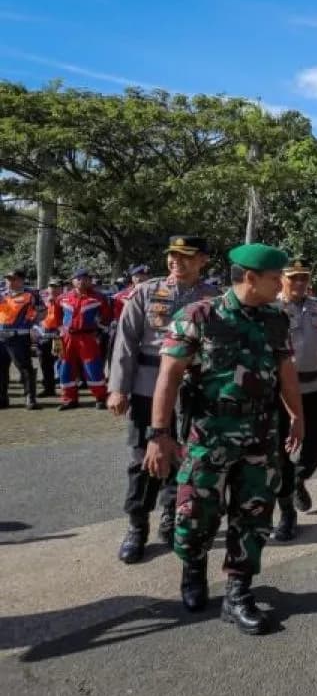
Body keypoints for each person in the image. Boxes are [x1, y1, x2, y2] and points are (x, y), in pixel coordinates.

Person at [147, 243, 303, 635]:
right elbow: (169, 377)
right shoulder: (198, 316)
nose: (281, 285)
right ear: (249, 278)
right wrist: (158, 435)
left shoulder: (276, 318)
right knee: (196, 512)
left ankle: (238, 591)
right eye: (274, 279)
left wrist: (297, 415)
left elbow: (286, 371)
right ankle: (194, 569)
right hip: (208, 432)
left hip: (260, 435)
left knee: (253, 515)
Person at [107, 236, 216, 564]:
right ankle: (137, 524)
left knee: (183, 455)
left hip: (192, 388)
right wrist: (118, 388)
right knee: (143, 457)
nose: (176, 262)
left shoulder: (213, 297)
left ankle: (171, 515)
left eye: (185, 256)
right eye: (172, 256)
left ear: (202, 261)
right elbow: (125, 343)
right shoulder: (145, 292)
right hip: (147, 386)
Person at [270, 259, 317, 542]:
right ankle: (287, 512)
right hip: (281, 391)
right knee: (279, 452)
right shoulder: (271, 310)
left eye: (304, 277)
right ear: (282, 279)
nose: (300, 283)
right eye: (294, 278)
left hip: (315, 388)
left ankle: (298, 480)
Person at [57, 268, 112, 410]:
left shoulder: (99, 298)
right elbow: (56, 316)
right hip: (67, 337)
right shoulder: (62, 298)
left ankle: (101, 398)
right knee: (65, 368)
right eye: (78, 278)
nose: (82, 281)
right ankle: (69, 399)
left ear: (89, 281)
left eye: (85, 278)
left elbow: (107, 317)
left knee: (93, 368)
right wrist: (59, 331)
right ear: (73, 281)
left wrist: (99, 331)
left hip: (87, 337)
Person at [0, 269, 43, 410]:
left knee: (24, 368)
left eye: (13, 279)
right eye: (8, 279)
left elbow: (42, 312)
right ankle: (2, 398)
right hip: (1, 336)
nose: (9, 282)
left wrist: (34, 325)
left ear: (21, 280)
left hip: (19, 336)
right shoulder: (2, 293)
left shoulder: (30, 294)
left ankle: (30, 397)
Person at [35, 279, 63, 398]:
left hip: (58, 335)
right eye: (51, 286)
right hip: (44, 334)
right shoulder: (43, 302)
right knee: (45, 363)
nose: (53, 289)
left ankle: (67, 387)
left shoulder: (64, 301)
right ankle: (49, 388)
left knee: (62, 361)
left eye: (56, 287)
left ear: (61, 288)